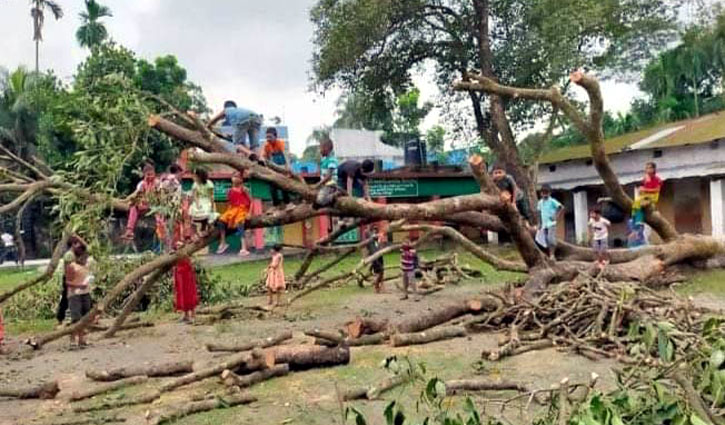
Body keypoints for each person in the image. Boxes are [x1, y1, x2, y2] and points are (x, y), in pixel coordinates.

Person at [122, 164, 166, 242]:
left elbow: (161, 197)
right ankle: (129, 231)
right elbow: (137, 195)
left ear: (154, 174)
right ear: (144, 175)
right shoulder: (141, 184)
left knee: (159, 214)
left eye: (152, 174)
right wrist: (128, 201)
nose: (150, 177)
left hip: (155, 206)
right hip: (144, 206)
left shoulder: (158, 183)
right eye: (148, 175)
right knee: (133, 207)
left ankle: (164, 237)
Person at [65, 243, 95, 349]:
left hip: (85, 293)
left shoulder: (86, 266)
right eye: (84, 256)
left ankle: (82, 339)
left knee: (85, 317)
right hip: (75, 295)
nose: (86, 258)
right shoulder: (72, 266)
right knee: (75, 318)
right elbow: (67, 282)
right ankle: (73, 339)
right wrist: (79, 286)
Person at [216, 171, 252, 255]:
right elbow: (229, 202)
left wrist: (249, 213)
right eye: (233, 177)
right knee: (221, 221)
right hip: (232, 209)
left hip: (242, 209)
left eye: (237, 177)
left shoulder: (244, 189)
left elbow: (251, 201)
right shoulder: (230, 190)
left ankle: (243, 247)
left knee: (240, 223)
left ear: (241, 179)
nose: (234, 178)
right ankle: (223, 242)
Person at [55, 236, 86, 326]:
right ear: (73, 245)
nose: (80, 246)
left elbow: (86, 247)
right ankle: (61, 318)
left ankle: (78, 317)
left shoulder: (74, 254)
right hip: (70, 279)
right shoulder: (69, 255)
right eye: (77, 244)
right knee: (67, 299)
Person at [262, 127, 292, 207]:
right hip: (273, 168)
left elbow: (286, 157)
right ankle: (276, 205)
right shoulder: (266, 146)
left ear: (275, 136)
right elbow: (265, 158)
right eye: (267, 137)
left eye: (270, 137)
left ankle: (288, 203)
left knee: (284, 185)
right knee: (272, 185)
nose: (268, 139)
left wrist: (287, 170)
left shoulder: (280, 143)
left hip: (282, 167)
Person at [173, 233, 198, 324]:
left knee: (189, 291)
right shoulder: (175, 229)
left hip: (186, 269)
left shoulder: (189, 229)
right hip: (179, 269)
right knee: (181, 292)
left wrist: (183, 244)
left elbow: (194, 241)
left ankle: (193, 315)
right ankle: (185, 314)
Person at [536, 184, 564, 261]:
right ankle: (547, 254)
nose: (545, 194)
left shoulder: (552, 201)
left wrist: (556, 216)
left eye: (547, 192)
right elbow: (539, 212)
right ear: (541, 193)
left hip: (551, 223)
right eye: (543, 193)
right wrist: (539, 223)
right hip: (544, 224)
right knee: (544, 240)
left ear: (549, 193)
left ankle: (552, 255)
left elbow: (561, 207)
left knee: (550, 238)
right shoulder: (540, 202)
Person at [189, 168, 218, 236]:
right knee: (195, 212)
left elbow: (211, 195)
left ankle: (207, 228)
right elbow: (195, 196)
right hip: (199, 201)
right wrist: (197, 203)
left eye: (195, 176)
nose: (194, 177)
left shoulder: (209, 184)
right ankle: (197, 232)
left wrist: (212, 205)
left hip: (207, 200)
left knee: (207, 212)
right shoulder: (195, 184)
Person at [314, 138, 339, 208]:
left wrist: (317, 185)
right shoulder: (324, 159)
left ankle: (335, 195)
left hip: (330, 184)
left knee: (320, 201)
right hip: (325, 184)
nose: (319, 150)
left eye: (320, 148)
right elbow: (320, 172)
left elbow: (328, 177)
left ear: (326, 148)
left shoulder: (332, 160)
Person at [367, 227, 385, 293]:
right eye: (374, 232)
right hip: (375, 258)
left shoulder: (378, 241)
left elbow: (382, 248)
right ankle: (376, 287)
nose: (376, 233)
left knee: (382, 272)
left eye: (376, 231)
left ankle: (382, 287)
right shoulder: (371, 241)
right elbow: (371, 250)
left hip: (380, 257)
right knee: (378, 273)